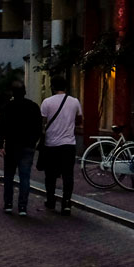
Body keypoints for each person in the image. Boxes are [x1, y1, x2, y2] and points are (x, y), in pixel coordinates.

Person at [37, 79, 83, 214]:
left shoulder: (47, 102)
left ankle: (50, 200)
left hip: (51, 144)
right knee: (68, 174)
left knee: (50, 175)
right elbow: (79, 121)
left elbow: (43, 122)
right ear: (66, 87)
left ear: (52, 87)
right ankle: (66, 203)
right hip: (68, 144)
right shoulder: (74, 101)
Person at [0, 82, 42, 216]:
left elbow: (1, 127)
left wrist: (0, 145)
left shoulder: (7, 107)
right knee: (25, 176)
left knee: (9, 176)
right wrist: (33, 141)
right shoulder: (33, 107)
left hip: (11, 146)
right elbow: (38, 127)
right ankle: (22, 206)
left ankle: (8, 204)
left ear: (12, 93)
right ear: (25, 92)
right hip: (27, 146)